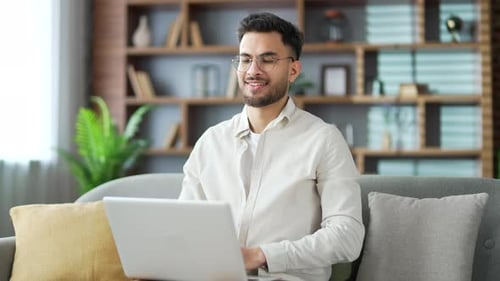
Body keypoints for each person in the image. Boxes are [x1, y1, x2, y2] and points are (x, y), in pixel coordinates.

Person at [179, 12, 365, 281]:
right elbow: (184, 226)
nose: (253, 70)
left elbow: (347, 236)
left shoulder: (323, 139)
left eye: (267, 59)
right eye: (245, 59)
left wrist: (263, 255)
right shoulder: (211, 142)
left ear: (293, 70)